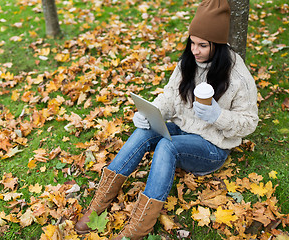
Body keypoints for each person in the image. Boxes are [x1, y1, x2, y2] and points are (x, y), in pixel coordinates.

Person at [74, 0, 259, 239]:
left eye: (203, 45)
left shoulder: (237, 75)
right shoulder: (188, 63)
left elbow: (250, 122)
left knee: (167, 145)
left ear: (219, 45)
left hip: (211, 147)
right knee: (143, 132)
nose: (195, 50)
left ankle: (139, 227)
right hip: (183, 130)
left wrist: (218, 116)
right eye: (192, 43)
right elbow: (170, 97)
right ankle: (98, 205)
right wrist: (149, 114)